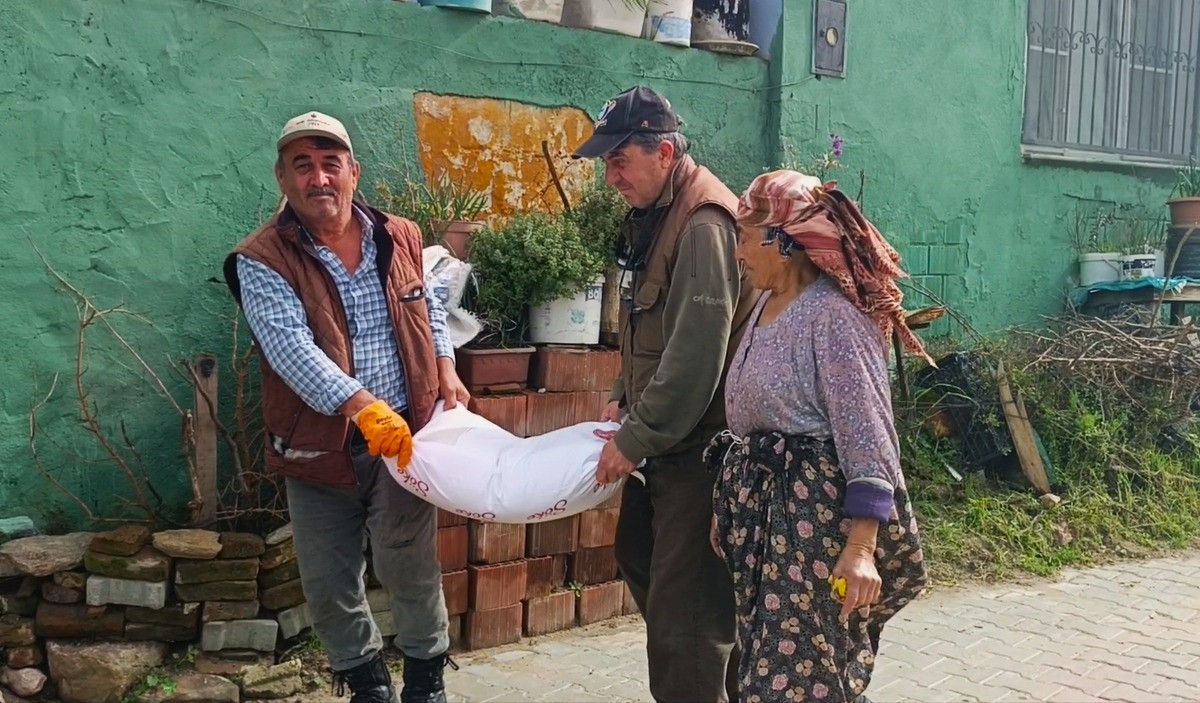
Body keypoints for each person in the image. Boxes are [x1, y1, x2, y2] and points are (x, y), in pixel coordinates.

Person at [223, 111, 468, 703]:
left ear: (354, 172)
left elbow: (429, 306)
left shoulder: (401, 234)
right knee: (329, 579)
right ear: (282, 179)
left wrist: (445, 367)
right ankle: (365, 682)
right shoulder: (261, 258)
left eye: (331, 164)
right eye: (302, 166)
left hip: (405, 439)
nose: (319, 179)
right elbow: (289, 348)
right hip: (317, 447)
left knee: (409, 566)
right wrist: (361, 407)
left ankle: (427, 681)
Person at [706, 170, 930, 703]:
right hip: (768, 516)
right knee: (770, 665)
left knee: (805, 676)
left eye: (742, 238)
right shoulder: (765, 301)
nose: (738, 254)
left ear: (782, 241)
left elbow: (868, 434)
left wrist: (860, 550)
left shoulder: (834, 317)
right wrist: (731, 507)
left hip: (813, 527)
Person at [572, 86, 761, 703]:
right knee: (639, 554)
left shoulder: (705, 223)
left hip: (703, 450)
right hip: (669, 443)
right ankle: (728, 679)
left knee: (686, 621)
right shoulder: (659, 212)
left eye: (619, 160)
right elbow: (648, 323)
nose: (611, 177)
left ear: (665, 151)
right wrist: (626, 393)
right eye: (606, 163)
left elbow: (696, 357)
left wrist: (636, 436)